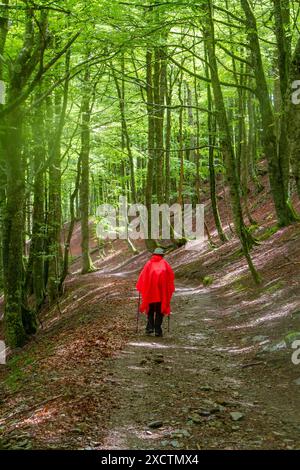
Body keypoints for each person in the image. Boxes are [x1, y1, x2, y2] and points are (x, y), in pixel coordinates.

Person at [136, 248, 175, 337]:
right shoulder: (165, 264)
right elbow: (171, 276)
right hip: (161, 293)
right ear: (162, 255)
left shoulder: (148, 264)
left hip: (150, 292)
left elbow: (142, 277)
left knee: (150, 310)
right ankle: (158, 330)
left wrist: (141, 286)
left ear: (153, 254)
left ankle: (150, 328)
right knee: (159, 311)